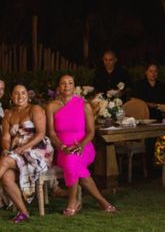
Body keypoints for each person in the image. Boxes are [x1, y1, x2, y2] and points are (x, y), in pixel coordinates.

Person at [47, 74, 116, 216]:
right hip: (63, 149)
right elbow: (51, 133)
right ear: (58, 87)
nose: (66, 86)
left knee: (73, 160)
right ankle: (102, 201)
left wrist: (81, 145)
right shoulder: (51, 107)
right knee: (71, 161)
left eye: (70, 83)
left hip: (84, 148)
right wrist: (62, 147)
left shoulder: (85, 105)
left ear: (74, 86)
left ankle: (72, 202)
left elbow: (91, 132)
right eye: (63, 83)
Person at [0, 83, 54, 222]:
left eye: (23, 93)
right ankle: (23, 212)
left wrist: (23, 148)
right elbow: (6, 137)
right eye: (16, 93)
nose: (20, 96)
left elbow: (41, 134)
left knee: (5, 161)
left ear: (28, 96)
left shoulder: (34, 109)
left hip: (38, 149)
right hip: (16, 152)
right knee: (6, 177)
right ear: (11, 96)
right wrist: (6, 149)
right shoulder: (8, 114)